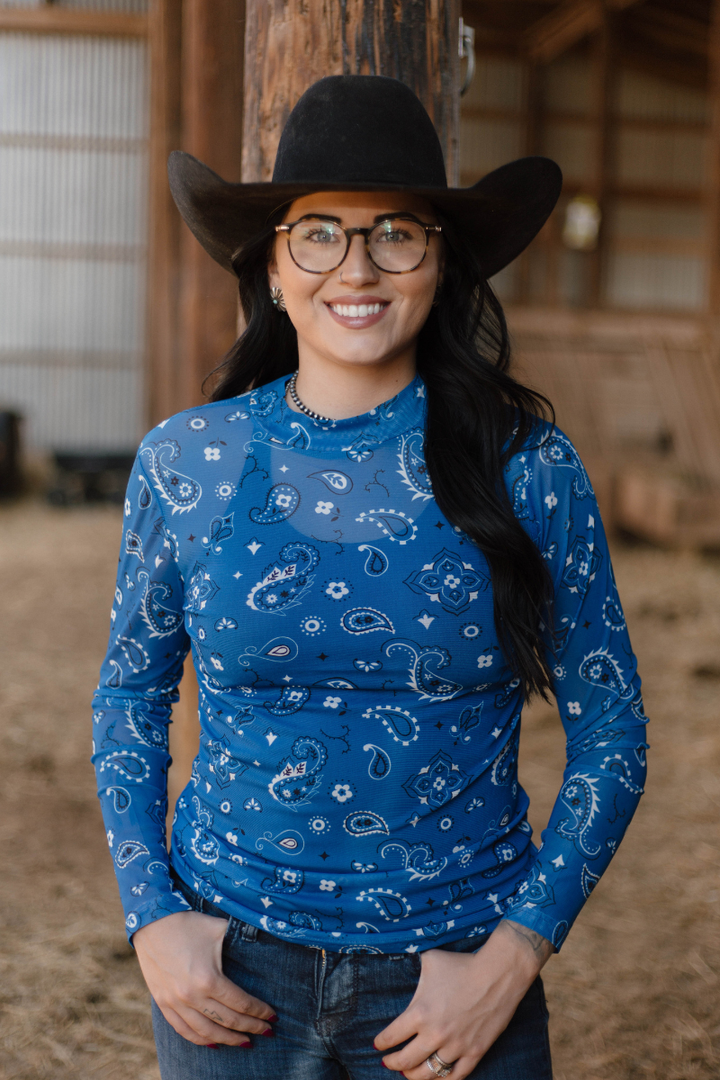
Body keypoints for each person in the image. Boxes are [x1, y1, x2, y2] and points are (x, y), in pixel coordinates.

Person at [92, 75, 648, 1080]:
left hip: (454, 983)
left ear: (442, 263)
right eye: (319, 232)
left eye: (398, 232)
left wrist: (517, 951)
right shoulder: (189, 462)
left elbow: (612, 731)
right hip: (228, 980)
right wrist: (154, 919)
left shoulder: (529, 467)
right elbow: (130, 693)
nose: (358, 265)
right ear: (270, 261)